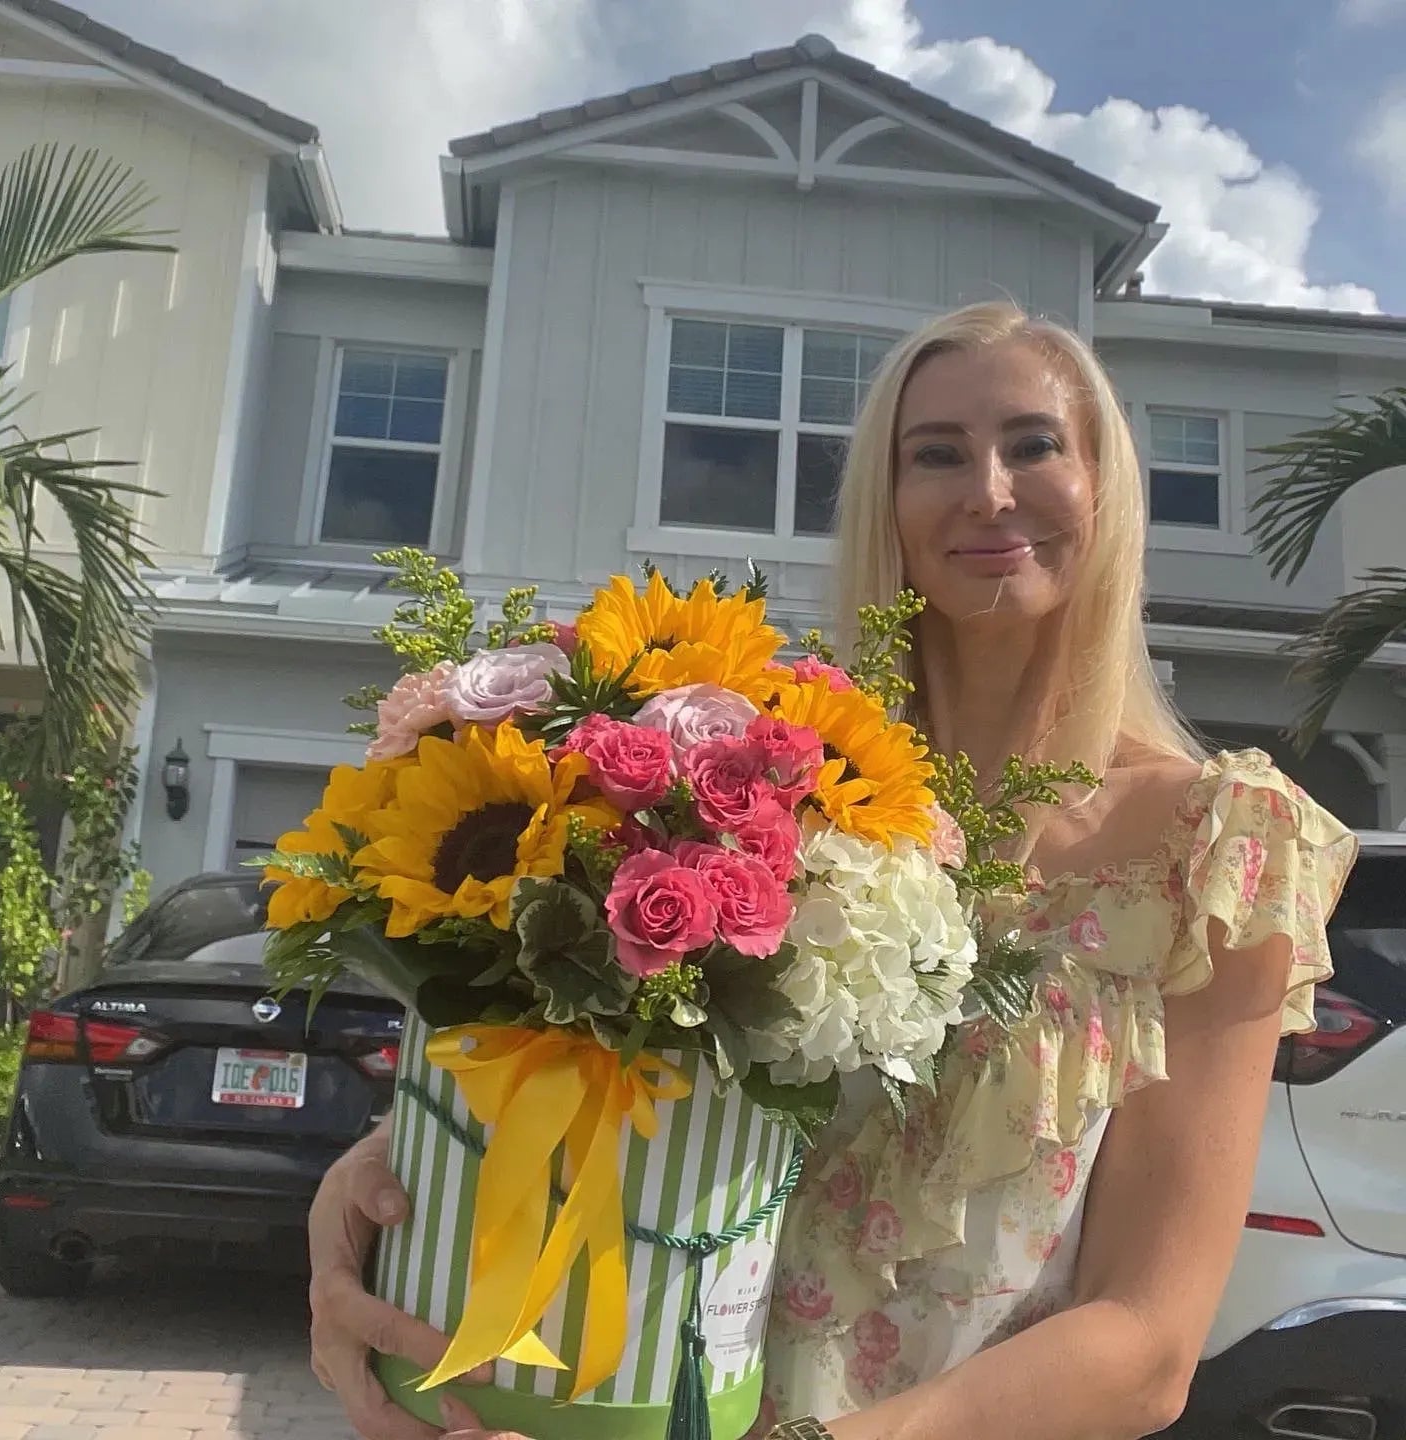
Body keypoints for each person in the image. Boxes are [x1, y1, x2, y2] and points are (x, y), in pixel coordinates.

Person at [305, 300, 1358, 1440]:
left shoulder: (1212, 848)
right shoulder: (765, 799)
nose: (989, 490)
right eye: (937, 454)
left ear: (1102, 486)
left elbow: (1147, 1345)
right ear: (887, 505)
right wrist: (374, 1187)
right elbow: (614, 1100)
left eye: (1035, 444)